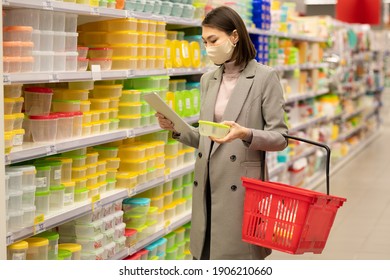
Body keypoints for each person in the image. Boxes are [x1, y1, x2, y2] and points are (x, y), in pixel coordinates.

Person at [156, 6, 288, 260]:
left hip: (239, 189)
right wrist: (177, 128)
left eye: (214, 40)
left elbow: (280, 138)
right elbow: (207, 138)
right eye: (205, 41)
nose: (209, 47)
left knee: (234, 259)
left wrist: (245, 134)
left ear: (235, 36)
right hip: (206, 184)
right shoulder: (209, 80)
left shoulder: (264, 78)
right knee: (204, 256)